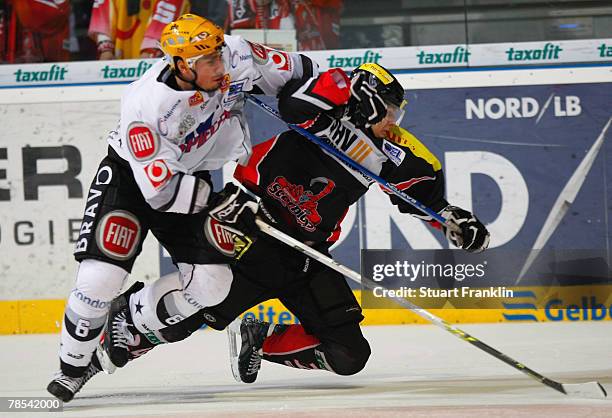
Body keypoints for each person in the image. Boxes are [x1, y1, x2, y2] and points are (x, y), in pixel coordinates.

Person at [97, 62, 490, 386]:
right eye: (388, 111)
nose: (393, 122)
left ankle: (261, 339)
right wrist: (346, 95)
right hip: (250, 227)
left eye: (397, 114)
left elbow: (423, 197)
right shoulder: (323, 105)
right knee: (193, 311)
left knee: (349, 355)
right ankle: (126, 327)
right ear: (366, 100)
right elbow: (292, 104)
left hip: (306, 253)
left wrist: (455, 221)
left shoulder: (395, 150)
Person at [46, 12, 317, 402]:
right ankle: (73, 367)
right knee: (98, 281)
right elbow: (159, 193)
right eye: (208, 62)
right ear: (180, 65)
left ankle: (130, 316)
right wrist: (221, 203)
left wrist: (314, 97)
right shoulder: (147, 105)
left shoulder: (236, 57)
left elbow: (299, 70)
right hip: (132, 183)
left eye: (219, 56)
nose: (219, 67)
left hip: (193, 180)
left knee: (213, 286)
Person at [89, 0, 190, 59]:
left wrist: (148, 53)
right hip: (118, 61)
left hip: (156, 60)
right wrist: (106, 50)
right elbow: (103, 13)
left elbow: (166, 18)